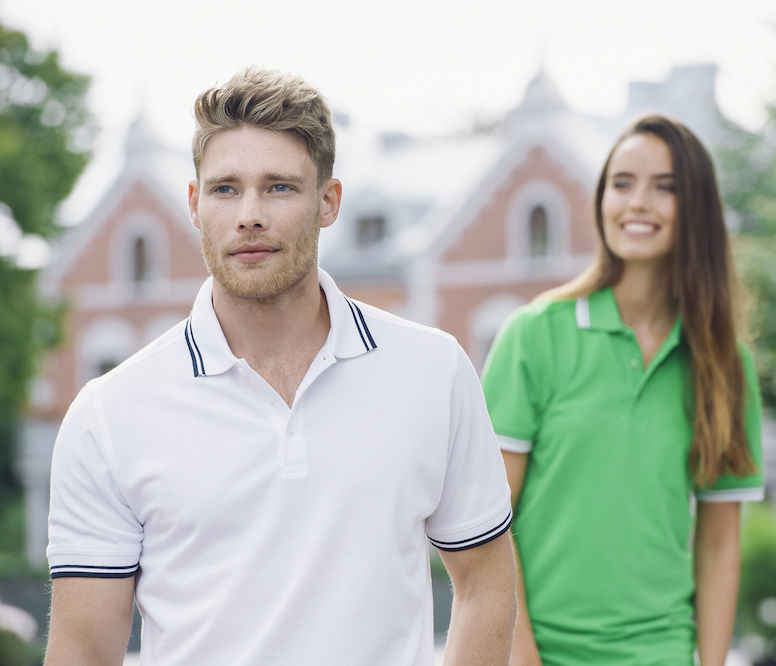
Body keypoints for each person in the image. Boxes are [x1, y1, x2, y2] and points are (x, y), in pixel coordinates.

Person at [44, 67, 516, 665]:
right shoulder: (108, 413)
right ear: (194, 205)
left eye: (279, 188)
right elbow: (83, 653)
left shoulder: (436, 370)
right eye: (225, 189)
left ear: (328, 202)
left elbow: (485, 586)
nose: (249, 214)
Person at [481, 114, 765, 666]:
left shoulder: (725, 365)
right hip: (544, 655)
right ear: (602, 200)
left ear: (698, 209)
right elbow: (487, 525)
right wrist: (522, 658)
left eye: (666, 187)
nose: (638, 202)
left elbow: (720, 544)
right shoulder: (534, 336)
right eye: (622, 183)